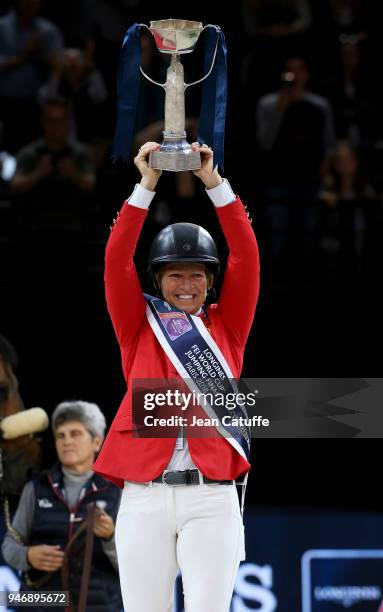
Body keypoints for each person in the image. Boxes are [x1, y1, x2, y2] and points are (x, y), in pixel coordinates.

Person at [93, 141, 260, 611]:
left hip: (212, 497)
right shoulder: (136, 326)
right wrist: (146, 184)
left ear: (210, 283)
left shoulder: (228, 328)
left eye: (196, 276)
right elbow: (114, 261)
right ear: (157, 281)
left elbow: (247, 257)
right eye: (174, 276)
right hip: (145, 494)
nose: (185, 285)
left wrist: (215, 184)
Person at [2, 400, 122, 611]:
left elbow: (136, 565)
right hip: (41, 604)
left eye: (75, 434)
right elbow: (9, 546)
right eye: (60, 435)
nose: (67, 441)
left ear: (97, 442)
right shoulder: (36, 488)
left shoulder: (118, 491)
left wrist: (110, 537)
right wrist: (28, 556)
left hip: (98, 605)